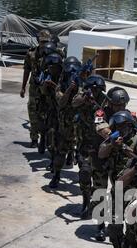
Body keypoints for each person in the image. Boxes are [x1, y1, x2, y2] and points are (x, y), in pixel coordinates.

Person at [98, 110, 137, 248]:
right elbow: (101, 153)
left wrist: (123, 147)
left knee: (134, 230)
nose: (121, 130)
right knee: (114, 227)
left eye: (124, 126)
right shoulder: (113, 139)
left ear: (131, 125)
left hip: (136, 192)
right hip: (117, 191)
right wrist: (112, 144)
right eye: (118, 127)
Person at [72, 74, 107, 219]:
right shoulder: (82, 98)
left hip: (100, 147)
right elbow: (74, 103)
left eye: (98, 90)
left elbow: (104, 118)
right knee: (84, 174)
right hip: (84, 145)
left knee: (100, 182)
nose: (95, 92)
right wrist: (85, 98)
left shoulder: (105, 101)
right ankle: (86, 200)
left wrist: (95, 104)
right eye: (93, 89)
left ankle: (97, 206)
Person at [49, 57, 82, 188]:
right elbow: (61, 102)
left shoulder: (82, 82)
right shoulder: (61, 84)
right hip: (65, 123)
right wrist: (69, 89)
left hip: (80, 123)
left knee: (82, 155)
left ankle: (83, 179)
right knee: (60, 151)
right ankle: (56, 176)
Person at [20, 29, 52, 149]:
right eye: (42, 41)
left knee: (48, 113)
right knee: (33, 112)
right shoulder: (31, 54)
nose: (43, 44)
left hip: (48, 89)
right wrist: (23, 87)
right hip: (34, 88)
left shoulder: (53, 54)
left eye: (46, 42)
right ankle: (34, 138)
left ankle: (47, 138)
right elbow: (26, 70)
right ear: (38, 41)